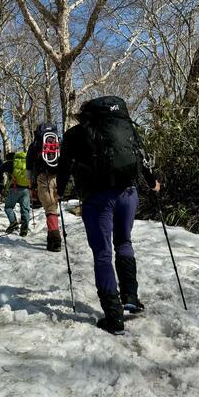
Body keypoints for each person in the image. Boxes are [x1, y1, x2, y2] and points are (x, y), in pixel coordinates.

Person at [56, 96, 160, 335]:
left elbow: (64, 167)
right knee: (124, 242)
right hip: (128, 193)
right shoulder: (126, 127)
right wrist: (153, 183)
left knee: (102, 254)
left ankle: (114, 318)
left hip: (97, 199)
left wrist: (59, 192)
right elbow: (142, 158)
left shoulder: (75, 134)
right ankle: (131, 297)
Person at [26, 123, 62, 252]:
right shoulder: (59, 141)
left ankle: (55, 239)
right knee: (53, 206)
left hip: (44, 177)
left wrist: (30, 184)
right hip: (58, 177)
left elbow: (29, 166)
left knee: (50, 208)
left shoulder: (35, 145)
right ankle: (52, 236)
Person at [0, 151, 31, 236]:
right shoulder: (28, 162)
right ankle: (24, 229)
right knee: (25, 209)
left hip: (14, 188)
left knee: (8, 207)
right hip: (26, 189)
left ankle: (13, 223)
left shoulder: (10, 163)